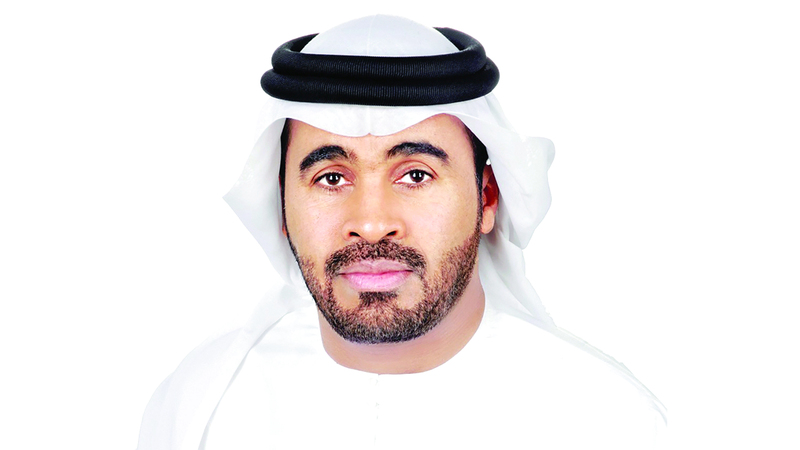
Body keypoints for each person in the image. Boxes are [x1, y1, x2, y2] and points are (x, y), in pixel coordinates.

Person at [137, 15, 666, 450]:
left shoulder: (609, 422)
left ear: (487, 197)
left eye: (415, 175)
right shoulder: (199, 407)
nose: (371, 223)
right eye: (331, 178)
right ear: (280, 204)